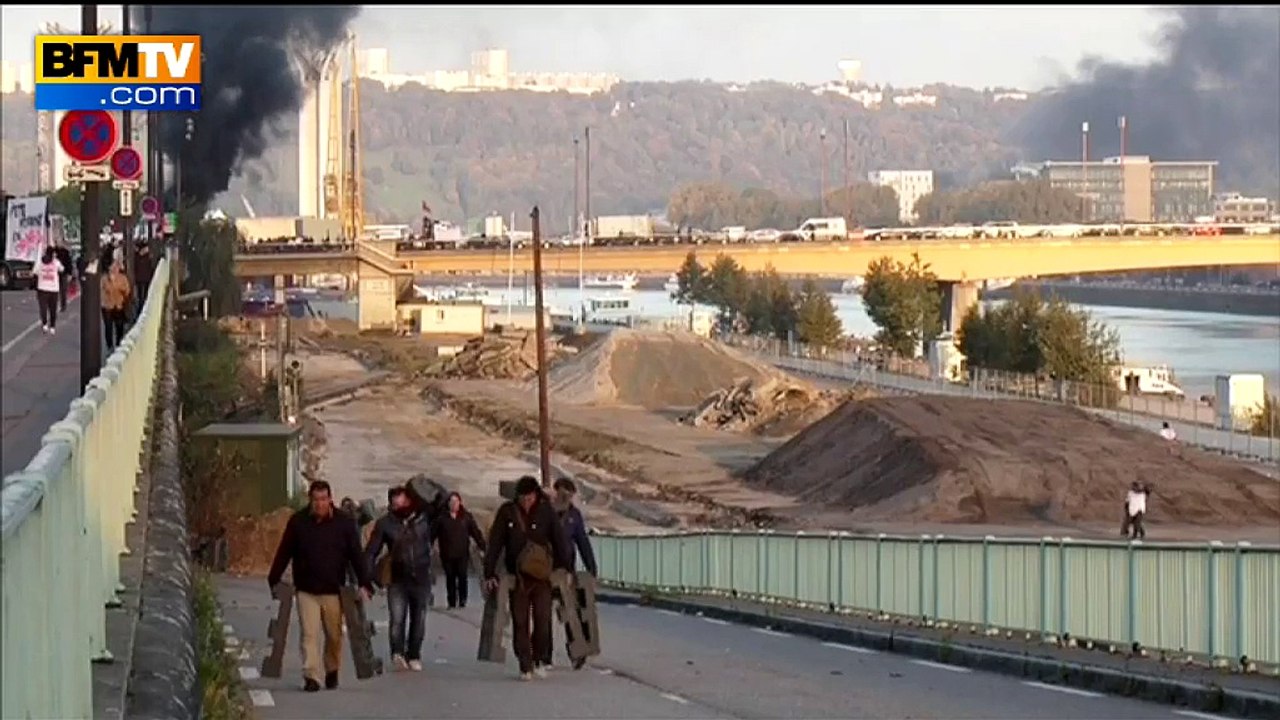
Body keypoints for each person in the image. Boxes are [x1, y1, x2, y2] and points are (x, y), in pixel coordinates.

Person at [267, 480, 375, 692]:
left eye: (323, 499)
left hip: (334, 590)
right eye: (316, 500)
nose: (319, 504)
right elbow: (284, 551)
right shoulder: (298, 522)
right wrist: (274, 578)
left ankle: (332, 669)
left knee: (334, 636)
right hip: (306, 589)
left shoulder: (344, 524)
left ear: (330, 499)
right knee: (309, 634)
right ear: (310, 500)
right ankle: (311, 676)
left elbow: (356, 555)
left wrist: (365, 583)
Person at [483, 475, 571, 681]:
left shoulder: (546, 511)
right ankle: (525, 664)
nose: (526, 502)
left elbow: (559, 541)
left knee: (542, 619)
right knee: (520, 621)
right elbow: (495, 543)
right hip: (517, 577)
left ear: (536, 495)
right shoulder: (507, 512)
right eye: (522, 498)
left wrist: (565, 569)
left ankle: (539, 657)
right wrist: (490, 573)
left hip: (541, 576)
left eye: (529, 498)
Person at [365, 486, 434, 672]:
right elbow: (371, 551)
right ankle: (397, 653)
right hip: (397, 578)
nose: (400, 507)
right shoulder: (385, 524)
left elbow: (440, 500)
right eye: (395, 504)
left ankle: (414, 655)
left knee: (419, 619)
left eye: (403, 503)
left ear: (410, 501)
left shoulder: (424, 518)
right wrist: (367, 578)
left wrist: (419, 484)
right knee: (397, 618)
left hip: (421, 576)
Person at [544, 477, 599, 670]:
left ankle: (577, 651)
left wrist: (591, 569)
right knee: (543, 614)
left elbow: (582, 542)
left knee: (571, 611)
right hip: (544, 570)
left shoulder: (574, 516)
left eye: (569, 494)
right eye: (562, 493)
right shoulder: (544, 513)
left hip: (566, 571)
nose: (565, 497)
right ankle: (544, 655)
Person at [433, 492, 487, 609]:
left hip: (462, 553)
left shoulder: (466, 517)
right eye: (451, 502)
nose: (454, 504)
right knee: (450, 577)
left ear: (460, 503)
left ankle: (463, 599)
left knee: (462, 576)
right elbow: (432, 534)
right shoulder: (441, 518)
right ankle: (452, 600)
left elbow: (475, 533)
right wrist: (429, 547)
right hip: (447, 553)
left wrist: (483, 547)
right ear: (448, 503)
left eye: (456, 502)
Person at [100, 261, 132, 351]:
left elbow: (127, 290)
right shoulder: (104, 279)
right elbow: (103, 290)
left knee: (119, 325)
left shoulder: (122, 278)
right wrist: (111, 282)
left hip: (119, 305)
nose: (114, 270)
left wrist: (121, 290)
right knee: (108, 326)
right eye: (112, 268)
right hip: (107, 306)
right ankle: (109, 345)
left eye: (115, 268)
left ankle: (118, 342)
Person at [33, 246, 65, 335]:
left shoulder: (40, 262)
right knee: (53, 309)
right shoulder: (56, 262)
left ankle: (44, 324)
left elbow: (34, 272)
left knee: (43, 308)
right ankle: (52, 326)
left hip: (42, 288)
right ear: (53, 254)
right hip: (53, 289)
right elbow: (62, 269)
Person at [53, 242, 75, 312]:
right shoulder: (53, 251)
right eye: (56, 242)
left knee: (63, 290)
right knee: (55, 290)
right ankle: (56, 305)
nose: (58, 243)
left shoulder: (65, 252)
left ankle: (63, 306)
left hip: (64, 273)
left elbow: (69, 263)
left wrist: (70, 273)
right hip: (55, 273)